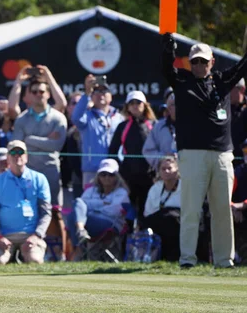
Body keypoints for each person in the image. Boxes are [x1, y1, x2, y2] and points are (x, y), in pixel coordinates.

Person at [162, 33, 247, 268]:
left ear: (212, 62)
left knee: (222, 210)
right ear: (189, 62)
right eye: (195, 61)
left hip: (222, 155)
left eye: (203, 61)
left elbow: (242, 67)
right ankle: (187, 259)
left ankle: (224, 260)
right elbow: (165, 67)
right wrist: (168, 47)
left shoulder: (222, 80)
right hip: (192, 155)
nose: (198, 65)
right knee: (190, 209)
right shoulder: (181, 80)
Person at [0, 140, 52, 264]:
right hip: (5, 236)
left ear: (26, 157)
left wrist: (36, 236)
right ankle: (13, 257)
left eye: (20, 152)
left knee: (35, 261)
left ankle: (22, 256)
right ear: (8, 158)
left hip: (30, 235)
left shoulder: (39, 179)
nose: (17, 155)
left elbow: (46, 213)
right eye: (13, 152)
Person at [12, 78, 67, 206]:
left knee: (54, 211)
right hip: (27, 171)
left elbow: (56, 145)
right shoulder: (21, 119)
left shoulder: (58, 118)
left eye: (41, 91)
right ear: (29, 94)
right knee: (27, 209)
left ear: (48, 94)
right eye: (34, 91)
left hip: (51, 171)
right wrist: (46, 141)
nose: (38, 94)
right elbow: (17, 146)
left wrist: (29, 139)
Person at [66, 159, 130, 258]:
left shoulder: (121, 192)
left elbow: (113, 211)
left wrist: (91, 207)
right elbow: (81, 205)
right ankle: (81, 232)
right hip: (89, 221)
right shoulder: (91, 190)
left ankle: (78, 249)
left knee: (73, 215)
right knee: (77, 204)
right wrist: (103, 204)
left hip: (110, 223)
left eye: (111, 174)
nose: (107, 177)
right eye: (103, 174)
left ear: (117, 177)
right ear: (98, 176)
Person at [108, 90, 156, 222]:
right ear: (127, 107)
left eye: (138, 102)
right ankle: (127, 239)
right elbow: (112, 151)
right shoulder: (122, 126)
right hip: (128, 177)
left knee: (147, 211)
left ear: (145, 105)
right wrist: (120, 171)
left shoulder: (153, 125)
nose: (135, 105)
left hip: (150, 177)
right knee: (128, 212)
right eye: (132, 103)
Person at [71, 74, 124, 187]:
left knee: (114, 203)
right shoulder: (87, 116)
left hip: (115, 170)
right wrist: (86, 93)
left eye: (104, 91)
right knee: (90, 202)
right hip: (92, 170)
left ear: (111, 96)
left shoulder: (119, 117)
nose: (100, 94)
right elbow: (75, 118)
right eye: (96, 91)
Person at [143, 157, 182, 261]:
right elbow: (148, 212)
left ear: (177, 170)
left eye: (169, 168)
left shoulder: (185, 187)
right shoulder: (155, 188)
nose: (166, 171)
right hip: (158, 222)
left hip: (179, 222)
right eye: (163, 169)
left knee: (171, 218)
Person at [142, 93, 177, 170]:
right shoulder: (158, 126)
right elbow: (148, 151)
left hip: (189, 171)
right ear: (168, 108)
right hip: (166, 175)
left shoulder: (192, 125)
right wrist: (163, 158)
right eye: (173, 105)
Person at [230, 79, 247, 165]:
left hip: (243, 163)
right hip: (226, 161)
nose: (228, 92)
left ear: (242, 89)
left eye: (231, 88)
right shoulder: (222, 108)